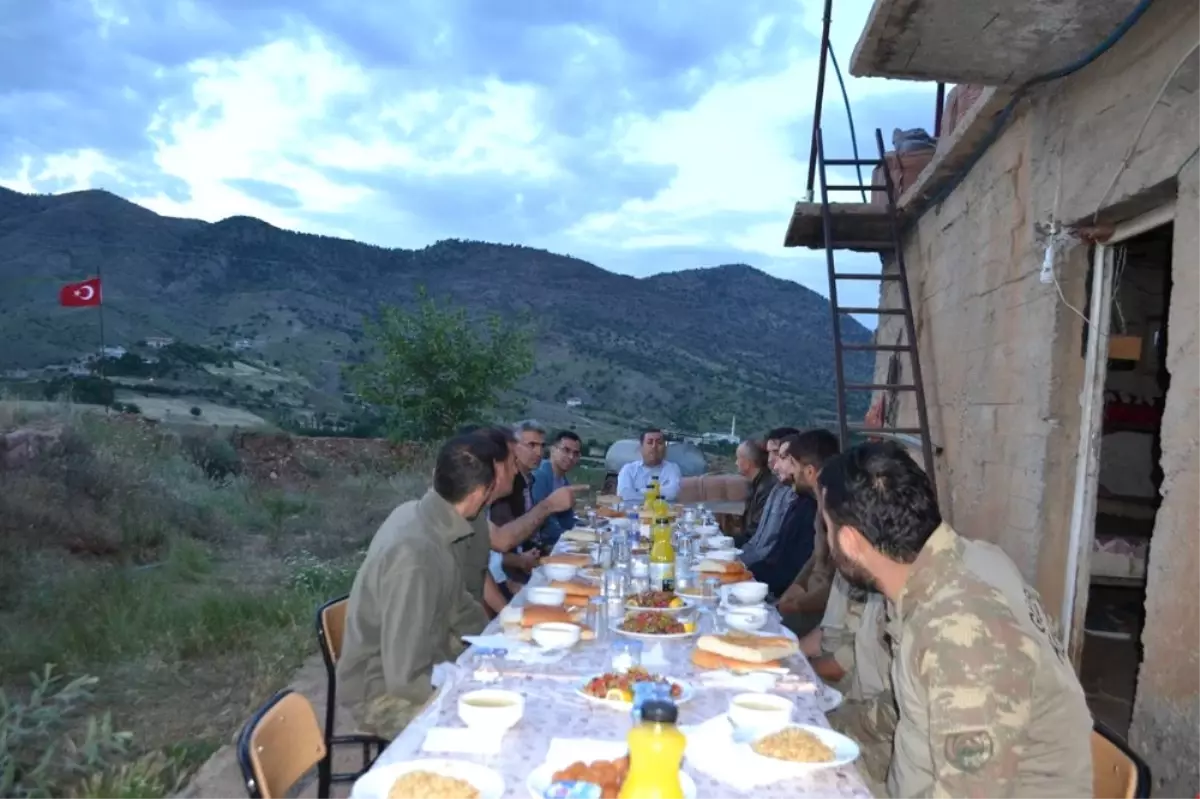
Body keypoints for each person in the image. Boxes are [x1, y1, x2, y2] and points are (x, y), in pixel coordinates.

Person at [819, 441, 1093, 797]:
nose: (827, 544)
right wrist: (824, 725)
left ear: (851, 541)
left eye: (828, 529)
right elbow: (913, 705)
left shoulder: (958, 629)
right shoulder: (960, 563)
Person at [337, 433, 495, 737]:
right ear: (480, 493)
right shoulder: (417, 555)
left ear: (435, 475)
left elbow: (459, 605)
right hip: (379, 692)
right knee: (484, 730)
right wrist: (463, 697)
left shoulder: (424, 517)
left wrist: (498, 642)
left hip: (417, 666)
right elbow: (404, 678)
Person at [750, 429, 839, 637]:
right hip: (797, 600)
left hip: (818, 615)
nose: (792, 472)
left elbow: (832, 585)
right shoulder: (818, 505)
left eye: (794, 465)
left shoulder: (835, 511)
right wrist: (794, 589)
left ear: (809, 472)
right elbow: (813, 561)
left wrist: (795, 605)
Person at [739, 426, 799, 567]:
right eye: (769, 453)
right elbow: (756, 541)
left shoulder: (794, 496)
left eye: (777, 453)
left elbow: (773, 550)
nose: (770, 460)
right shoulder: (777, 488)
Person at [529, 430, 583, 550]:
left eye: (576, 453)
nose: (571, 457)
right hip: (537, 546)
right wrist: (569, 538)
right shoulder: (539, 476)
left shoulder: (563, 481)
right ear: (552, 449)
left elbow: (567, 519)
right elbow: (543, 521)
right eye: (566, 450)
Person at [616, 428, 682, 502]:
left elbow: (673, 493)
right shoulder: (628, 469)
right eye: (650, 442)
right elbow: (624, 495)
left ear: (665, 448)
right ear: (641, 448)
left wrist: (639, 491)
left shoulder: (672, 468)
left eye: (659, 443)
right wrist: (658, 492)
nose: (654, 446)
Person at [734, 438, 776, 545]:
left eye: (738, 458)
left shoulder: (766, 488)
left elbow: (755, 532)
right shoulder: (758, 484)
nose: (735, 463)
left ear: (747, 463)